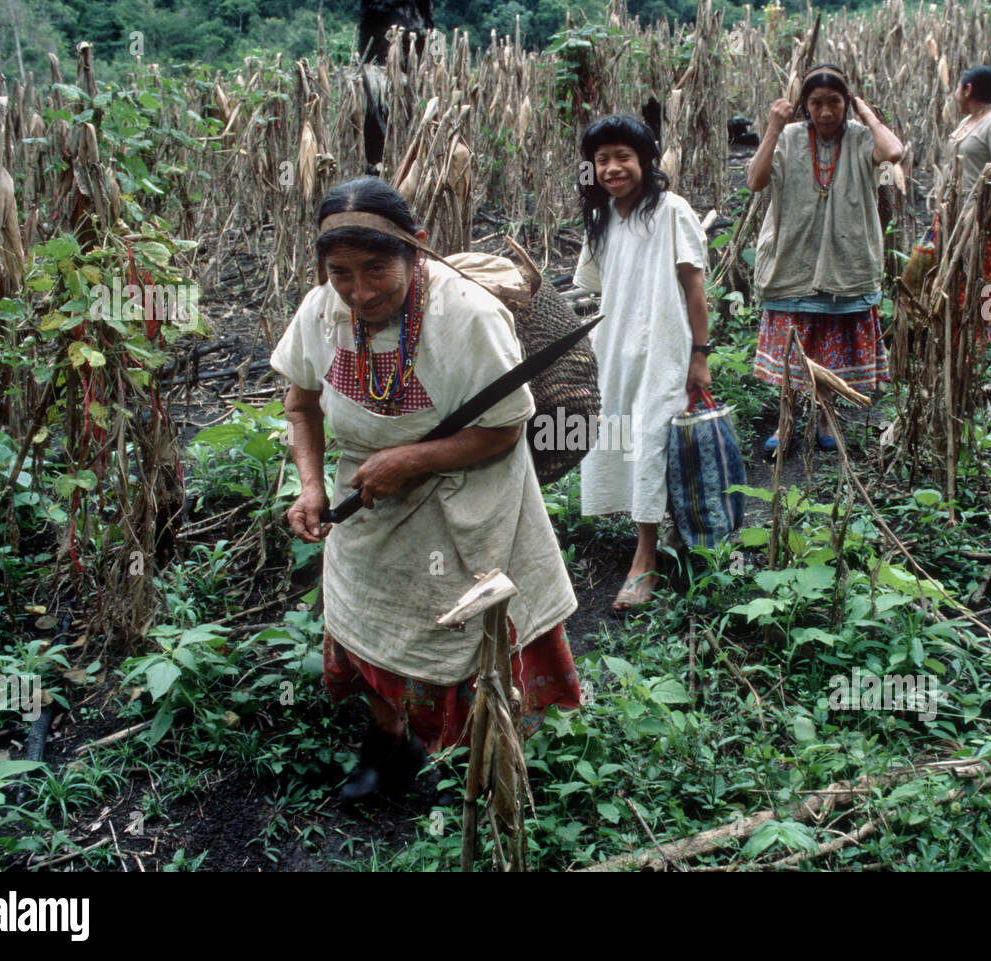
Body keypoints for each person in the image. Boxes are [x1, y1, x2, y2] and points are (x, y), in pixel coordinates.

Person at [271, 176, 580, 802]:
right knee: (369, 622)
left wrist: (410, 460)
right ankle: (390, 746)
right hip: (368, 498)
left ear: (417, 247)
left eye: (377, 269)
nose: (359, 292)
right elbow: (301, 404)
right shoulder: (321, 312)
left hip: (469, 493)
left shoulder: (467, 315)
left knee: (468, 633)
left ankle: (484, 759)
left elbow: (505, 427)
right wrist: (309, 486)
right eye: (341, 273)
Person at [572, 114, 711, 612]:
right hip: (616, 349)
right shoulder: (602, 219)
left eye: (623, 157)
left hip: (665, 347)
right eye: (602, 159)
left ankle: (645, 560)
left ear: (646, 162)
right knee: (627, 439)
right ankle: (671, 531)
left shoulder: (671, 210)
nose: (613, 168)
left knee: (651, 441)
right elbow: (596, 288)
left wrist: (701, 354)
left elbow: (695, 287)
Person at [747, 64, 902, 454]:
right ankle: (785, 424)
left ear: (846, 103)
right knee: (790, 355)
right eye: (816, 103)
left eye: (835, 102)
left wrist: (866, 114)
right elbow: (754, 180)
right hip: (792, 260)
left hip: (845, 262)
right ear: (805, 105)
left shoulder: (862, 137)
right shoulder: (788, 137)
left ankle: (825, 419)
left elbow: (893, 153)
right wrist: (772, 128)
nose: (827, 112)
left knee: (829, 353)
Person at [905, 66, 991, 319]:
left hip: (973, 220)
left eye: (957, 88)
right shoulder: (967, 122)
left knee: (967, 280)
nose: (955, 94)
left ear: (967, 89)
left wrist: (975, 219)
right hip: (950, 215)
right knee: (935, 275)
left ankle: (967, 344)